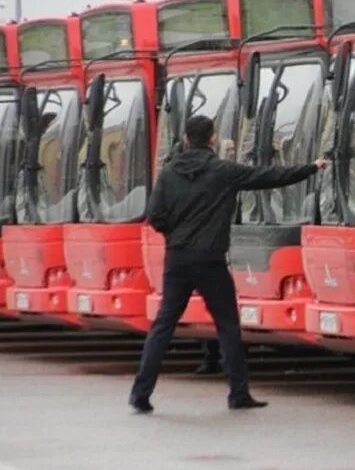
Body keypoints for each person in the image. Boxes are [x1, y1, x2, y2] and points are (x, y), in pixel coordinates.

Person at [129, 115, 328, 414]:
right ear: (212, 139)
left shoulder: (169, 173)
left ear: (185, 138)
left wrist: (176, 234)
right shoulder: (224, 171)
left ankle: (140, 394)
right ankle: (238, 393)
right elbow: (270, 176)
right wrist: (312, 167)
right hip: (210, 260)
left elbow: (155, 215)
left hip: (178, 258)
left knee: (163, 326)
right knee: (227, 326)